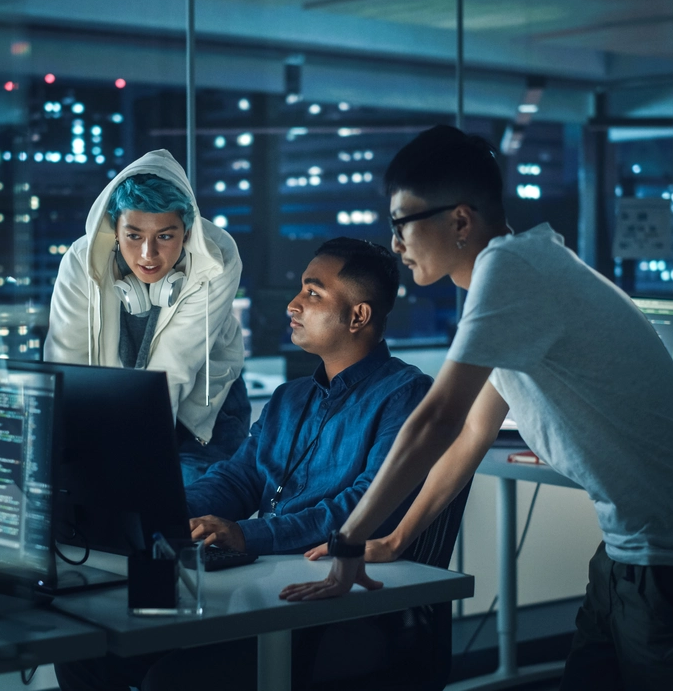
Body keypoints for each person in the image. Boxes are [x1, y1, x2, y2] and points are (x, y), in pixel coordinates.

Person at [284, 125, 673, 691]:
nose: (395, 244)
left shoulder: (512, 272)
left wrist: (348, 540)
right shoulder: (522, 269)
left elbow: (436, 420)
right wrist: (393, 540)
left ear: (460, 221)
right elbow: (471, 434)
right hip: (629, 553)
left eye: (402, 223)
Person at [57, 237, 433, 691]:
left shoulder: (404, 395)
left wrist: (246, 534)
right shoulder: (289, 398)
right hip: (272, 589)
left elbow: (368, 505)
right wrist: (166, 511)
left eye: (313, 293)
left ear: (359, 316)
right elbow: (238, 479)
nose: (293, 304)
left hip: (347, 606)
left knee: (171, 681)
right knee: (86, 651)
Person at [46, 150, 249, 482]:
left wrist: (138, 461)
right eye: (134, 235)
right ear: (115, 227)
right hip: (114, 408)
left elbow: (174, 367)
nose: (148, 254)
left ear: (186, 231)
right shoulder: (81, 261)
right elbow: (67, 360)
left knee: (186, 523)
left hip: (206, 406)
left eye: (165, 236)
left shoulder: (217, 257)